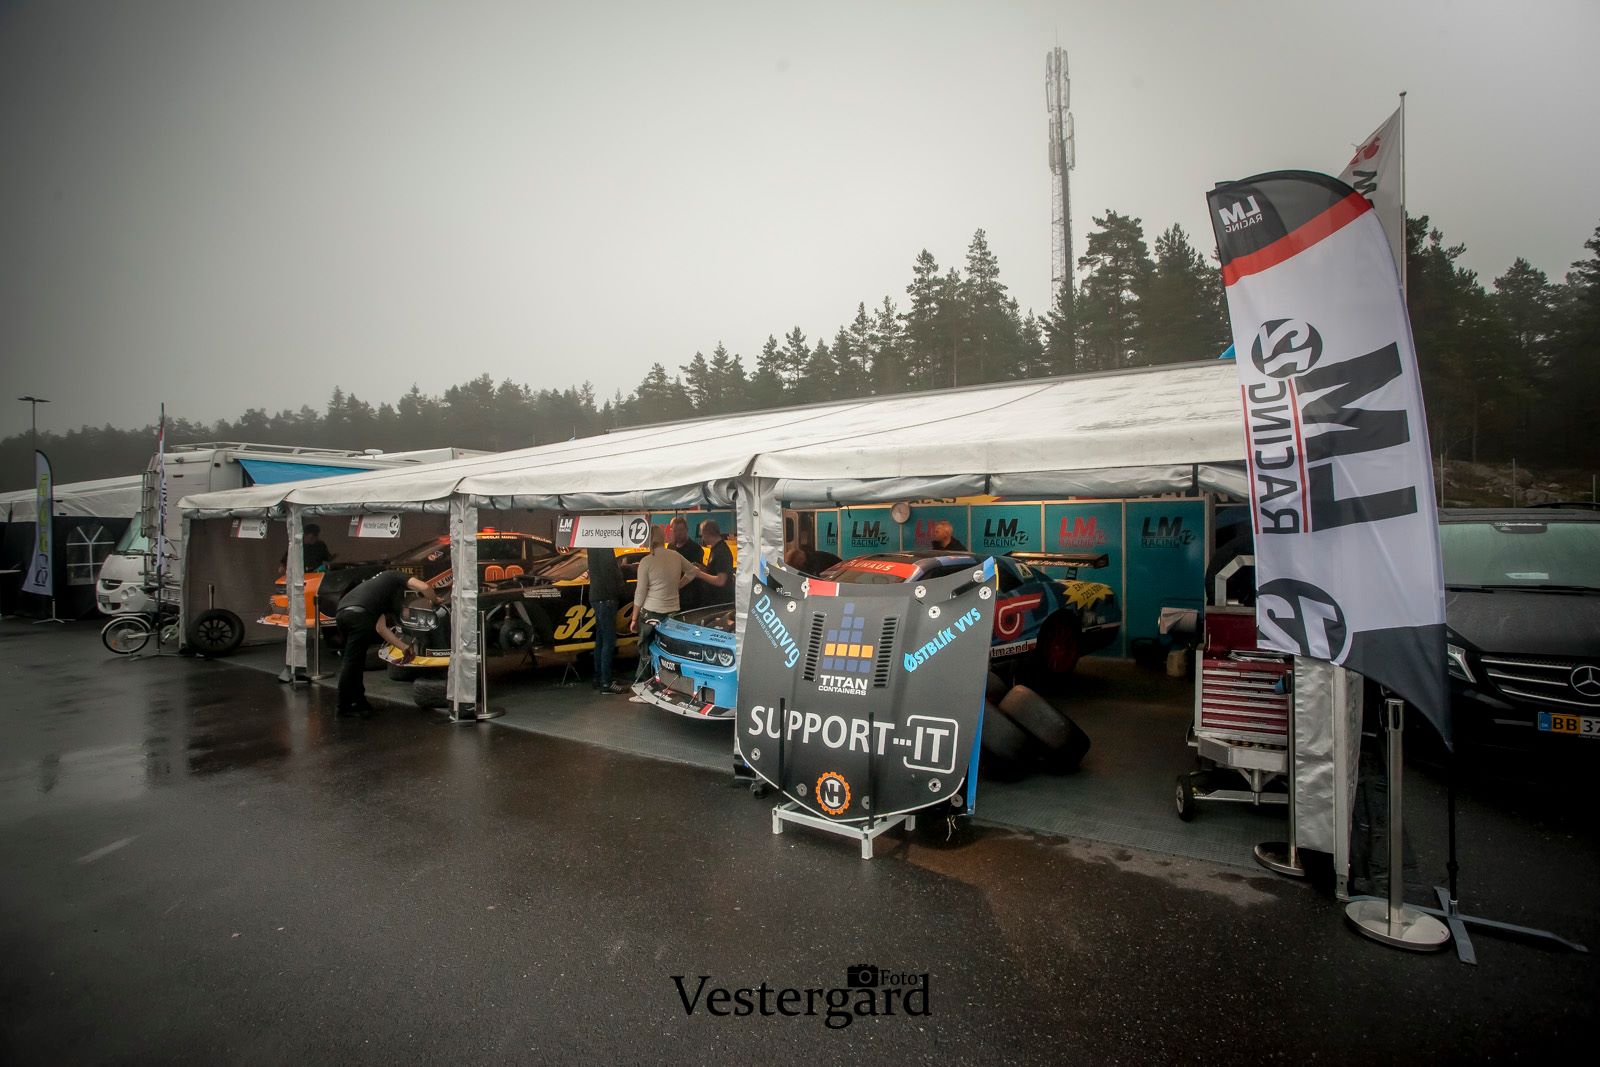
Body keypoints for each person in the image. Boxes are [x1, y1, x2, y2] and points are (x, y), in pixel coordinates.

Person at [335, 569, 442, 718]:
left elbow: (381, 628)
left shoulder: (378, 590)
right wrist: (435, 600)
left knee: (356, 662)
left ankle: (359, 702)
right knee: (352, 662)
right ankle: (344, 706)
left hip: (343, 612)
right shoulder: (394, 575)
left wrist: (404, 647)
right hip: (359, 616)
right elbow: (424, 587)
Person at [631, 526, 699, 682]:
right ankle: (667, 681)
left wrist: (634, 618)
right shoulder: (675, 556)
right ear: (664, 538)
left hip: (650, 612)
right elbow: (693, 572)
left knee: (646, 648)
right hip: (673, 612)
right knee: (669, 651)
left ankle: (644, 681)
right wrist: (678, 585)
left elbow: (640, 592)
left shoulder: (646, 561)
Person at [586, 546, 627, 694]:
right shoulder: (604, 547)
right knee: (608, 641)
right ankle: (606, 682)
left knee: (601, 640)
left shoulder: (592, 545)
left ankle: (599, 677)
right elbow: (609, 572)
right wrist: (619, 588)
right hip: (606, 598)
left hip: (597, 596)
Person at [692, 519, 735, 607]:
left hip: (720, 602)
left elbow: (721, 581)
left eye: (702, 535)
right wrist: (702, 569)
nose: (702, 538)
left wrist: (699, 574)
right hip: (716, 600)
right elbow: (715, 572)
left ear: (707, 533)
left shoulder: (721, 551)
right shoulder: (716, 549)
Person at [667, 517, 704, 611]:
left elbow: (694, 572)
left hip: (690, 596)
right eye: (675, 530)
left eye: (681, 530)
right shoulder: (670, 546)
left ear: (686, 530)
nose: (678, 533)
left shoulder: (695, 548)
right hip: (674, 595)